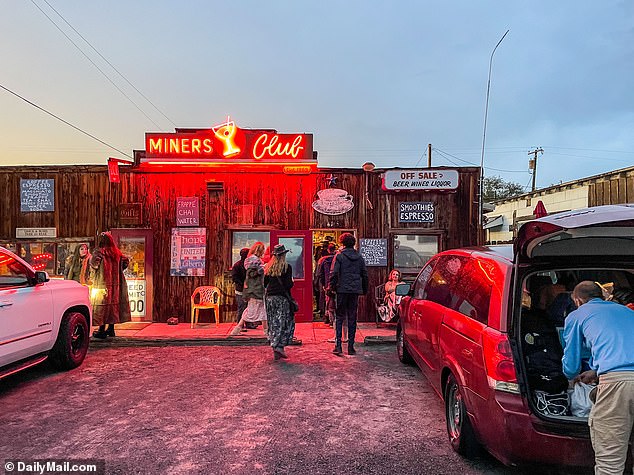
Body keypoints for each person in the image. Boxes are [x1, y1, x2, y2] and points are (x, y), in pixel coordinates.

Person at [561, 281, 634, 474]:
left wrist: (571, 374)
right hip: (623, 375)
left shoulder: (577, 315)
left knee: (610, 462)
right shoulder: (627, 312)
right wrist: (595, 370)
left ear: (577, 300)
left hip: (617, 386)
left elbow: (571, 365)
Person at [328, 233, 368, 356]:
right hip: (354, 290)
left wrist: (331, 288)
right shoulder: (359, 257)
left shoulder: (339, 256)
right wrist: (364, 290)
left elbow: (334, 273)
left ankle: (338, 346)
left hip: (342, 290)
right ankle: (351, 347)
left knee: (339, 317)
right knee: (352, 318)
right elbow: (364, 275)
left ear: (342, 243)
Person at [89, 232, 131, 339]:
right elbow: (126, 261)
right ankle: (111, 329)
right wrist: (119, 270)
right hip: (116, 284)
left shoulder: (99, 252)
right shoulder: (116, 253)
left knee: (101, 306)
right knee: (113, 305)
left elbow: (94, 265)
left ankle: (101, 330)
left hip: (102, 283)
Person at [263, 244, 295, 360]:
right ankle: (279, 346)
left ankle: (275, 346)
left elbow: (265, 284)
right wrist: (292, 282)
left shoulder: (268, 267)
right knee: (283, 322)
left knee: (273, 322)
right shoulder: (287, 267)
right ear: (284, 255)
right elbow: (288, 285)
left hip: (270, 298)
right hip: (282, 298)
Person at [230, 242, 268, 336]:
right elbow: (252, 274)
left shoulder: (252, 260)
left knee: (253, 309)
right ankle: (266, 331)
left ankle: (238, 328)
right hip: (256, 289)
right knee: (258, 309)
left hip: (253, 289)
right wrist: (263, 268)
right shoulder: (254, 260)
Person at [316, 242, 337, 325]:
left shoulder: (322, 260)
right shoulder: (338, 258)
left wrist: (321, 284)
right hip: (335, 283)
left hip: (326, 282)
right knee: (334, 301)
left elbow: (319, 273)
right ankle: (333, 319)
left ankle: (327, 317)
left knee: (327, 300)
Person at [231, 248, 249, 324]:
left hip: (245, 289)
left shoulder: (242, 265)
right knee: (242, 307)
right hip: (241, 289)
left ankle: (248, 323)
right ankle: (240, 324)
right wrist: (243, 284)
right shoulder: (238, 265)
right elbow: (234, 277)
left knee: (247, 307)